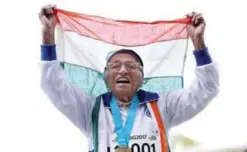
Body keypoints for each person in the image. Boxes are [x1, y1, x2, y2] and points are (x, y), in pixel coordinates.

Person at [39, 4, 219, 152]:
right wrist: (48, 33)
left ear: (142, 78)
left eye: (131, 66)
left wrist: (199, 42)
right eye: (115, 66)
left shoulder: (163, 104)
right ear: (106, 76)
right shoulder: (90, 108)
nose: (123, 70)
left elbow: (207, 89)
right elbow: (53, 84)